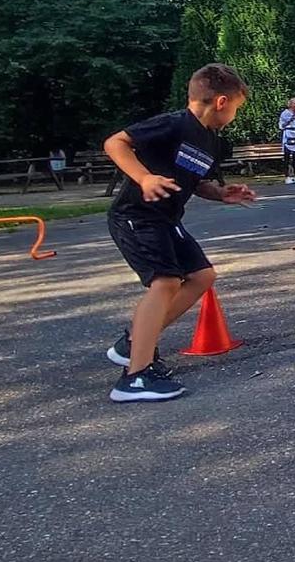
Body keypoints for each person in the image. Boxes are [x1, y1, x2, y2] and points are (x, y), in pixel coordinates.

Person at [103, 63, 257, 402]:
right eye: (235, 108)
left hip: (168, 219)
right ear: (220, 102)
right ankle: (135, 378)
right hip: (137, 216)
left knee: (202, 276)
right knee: (166, 282)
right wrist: (144, 178)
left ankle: (133, 344)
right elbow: (116, 143)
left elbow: (195, 181)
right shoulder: (174, 124)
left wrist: (220, 193)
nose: (234, 115)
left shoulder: (210, 140)